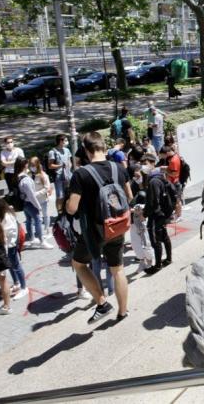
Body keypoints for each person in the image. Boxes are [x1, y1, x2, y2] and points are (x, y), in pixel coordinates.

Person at [66, 131, 132, 323]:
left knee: (78, 264)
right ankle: (123, 311)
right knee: (117, 269)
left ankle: (102, 304)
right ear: (104, 147)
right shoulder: (118, 167)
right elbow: (128, 196)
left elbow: (72, 208)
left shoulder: (81, 174)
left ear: (86, 151)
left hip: (95, 231)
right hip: (118, 226)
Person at [141, 154, 175, 275]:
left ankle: (158, 265)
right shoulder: (160, 177)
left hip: (156, 215)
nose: (143, 166)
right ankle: (169, 259)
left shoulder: (154, 181)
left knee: (156, 240)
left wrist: (144, 214)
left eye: (145, 163)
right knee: (164, 236)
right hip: (163, 213)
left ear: (152, 163)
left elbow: (153, 201)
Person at [0, 199, 28, 301]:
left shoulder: (7, 217)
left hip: (11, 245)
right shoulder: (6, 214)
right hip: (8, 245)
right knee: (10, 265)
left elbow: (6, 232)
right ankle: (16, 283)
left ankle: (24, 287)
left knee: (16, 265)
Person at [15, 157, 53, 249]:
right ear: (25, 165)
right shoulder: (26, 179)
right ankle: (42, 241)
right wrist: (38, 206)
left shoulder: (18, 176)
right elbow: (31, 196)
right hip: (30, 203)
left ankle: (32, 238)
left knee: (28, 220)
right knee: (38, 220)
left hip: (24, 202)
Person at [48, 134, 73, 213]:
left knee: (68, 193)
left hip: (67, 175)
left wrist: (69, 166)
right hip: (58, 176)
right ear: (60, 141)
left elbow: (69, 161)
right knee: (60, 196)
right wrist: (60, 165)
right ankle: (59, 212)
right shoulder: (52, 152)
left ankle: (67, 211)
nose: (66, 142)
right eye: (65, 140)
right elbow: (50, 165)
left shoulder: (67, 150)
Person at [29, 156, 53, 235]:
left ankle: (47, 229)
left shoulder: (43, 175)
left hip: (42, 199)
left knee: (45, 214)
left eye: (33, 165)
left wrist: (36, 194)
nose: (32, 167)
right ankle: (39, 231)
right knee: (36, 216)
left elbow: (47, 188)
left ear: (37, 165)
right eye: (30, 165)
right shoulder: (30, 175)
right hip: (34, 200)